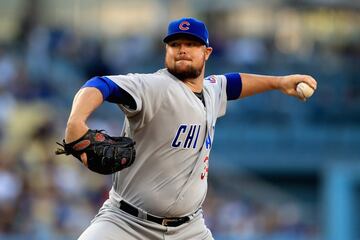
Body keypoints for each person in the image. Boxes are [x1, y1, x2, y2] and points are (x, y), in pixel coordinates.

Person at [64, 17, 317, 240]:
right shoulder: (154, 87)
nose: (182, 50)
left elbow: (234, 83)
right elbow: (100, 85)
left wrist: (279, 82)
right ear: (166, 50)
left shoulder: (211, 90)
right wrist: (76, 121)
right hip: (127, 224)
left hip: (189, 230)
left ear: (206, 52)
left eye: (191, 44)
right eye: (175, 45)